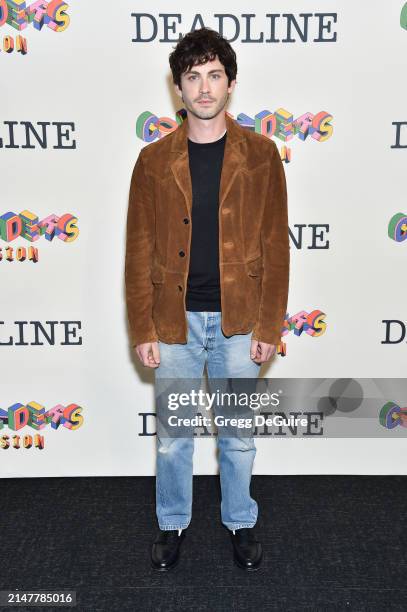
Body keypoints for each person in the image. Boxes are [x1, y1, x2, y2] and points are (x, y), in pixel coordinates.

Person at [125, 27, 289, 572]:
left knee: (237, 437)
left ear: (231, 83)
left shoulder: (263, 156)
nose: (203, 87)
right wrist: (142, 329)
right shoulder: (152, 162)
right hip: (173, 324)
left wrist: (270, 324)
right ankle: (172, 522)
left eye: (213, 75)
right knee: (174, 439)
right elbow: (138, 248)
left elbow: (276, 246)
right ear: (178, 88)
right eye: (192, 76)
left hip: (241, 325)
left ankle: (240, 520)